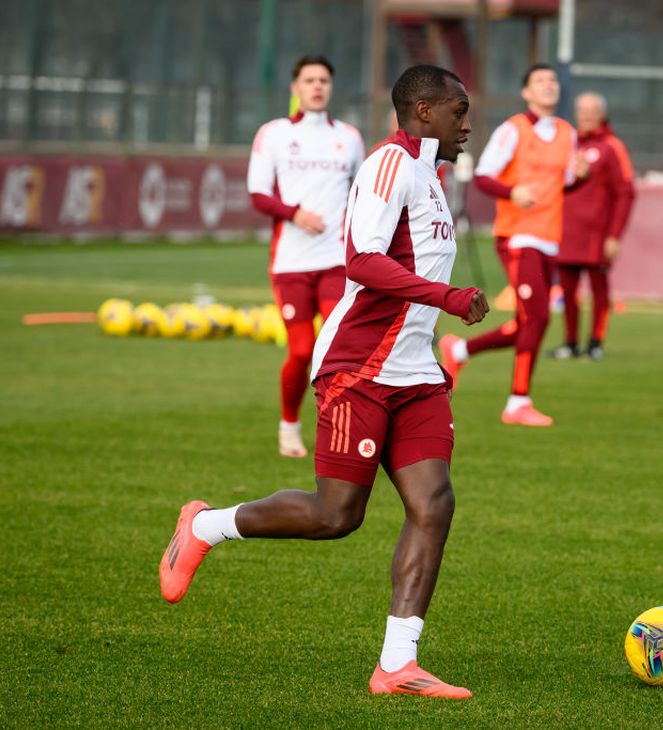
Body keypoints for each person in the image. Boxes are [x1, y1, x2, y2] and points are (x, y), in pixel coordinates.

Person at [161, 64, 489, 699]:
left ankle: (397, 665)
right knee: (336, 516)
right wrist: (448, 297)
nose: (467, 123)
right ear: (423, 112)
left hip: (416, 375)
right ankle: (205, 526)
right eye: (458, 112)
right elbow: (363, 262)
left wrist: (432, 329)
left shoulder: (431, 174)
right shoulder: (389, 165)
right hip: (358, 369)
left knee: (435, 504)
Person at [438, 64, 584, 427]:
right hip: (519, 236)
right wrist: (512, 191)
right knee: (535, 318)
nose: (548, 86)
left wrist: (580, 179)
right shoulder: (513, 129)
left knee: (531, 322)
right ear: (526, 92)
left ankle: (459, 349)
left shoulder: (567, 133)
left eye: (552, 81)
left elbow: (561, 186)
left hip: (550, 237)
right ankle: (518, 401)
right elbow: (486, 176)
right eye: (540, 81)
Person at [247, 55, 365, 458]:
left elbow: (361, 193)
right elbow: (258, 193)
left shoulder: (349, 136)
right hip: (291, 263)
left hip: (335, 261)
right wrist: (295, 213)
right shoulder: (274, 134)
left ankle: (335, 428)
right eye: (310, 80)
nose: (317, 86)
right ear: (295, 87)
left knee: (336, 346)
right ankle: (289, 425)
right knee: (300, 350)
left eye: (324, 80)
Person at [550, 92, 635, 361]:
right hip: (566, 232)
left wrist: (614, 235)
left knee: (599, 290)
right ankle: (571, 342)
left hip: (597, 235)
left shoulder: (612, 146)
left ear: (602, 114)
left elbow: (626, 192)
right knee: (567, 291)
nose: (586, 115)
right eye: (582, 110)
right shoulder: (568, 144)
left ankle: (596, 342)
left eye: (591, 110)